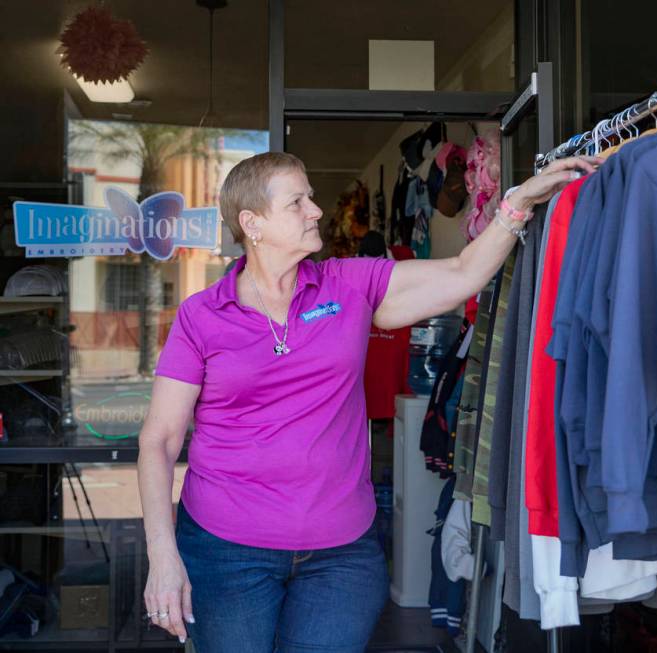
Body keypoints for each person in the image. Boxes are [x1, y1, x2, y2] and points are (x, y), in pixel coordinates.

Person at [137, 150, 599, 653]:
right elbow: (159, 441)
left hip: (340, 555)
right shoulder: (202, 315)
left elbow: (462, 274)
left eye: (310, 197)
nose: (315, 210)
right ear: (253, 223)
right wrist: (163, 554)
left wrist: (517, 205)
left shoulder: (346, 284)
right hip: (227, 552)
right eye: (298, 202)